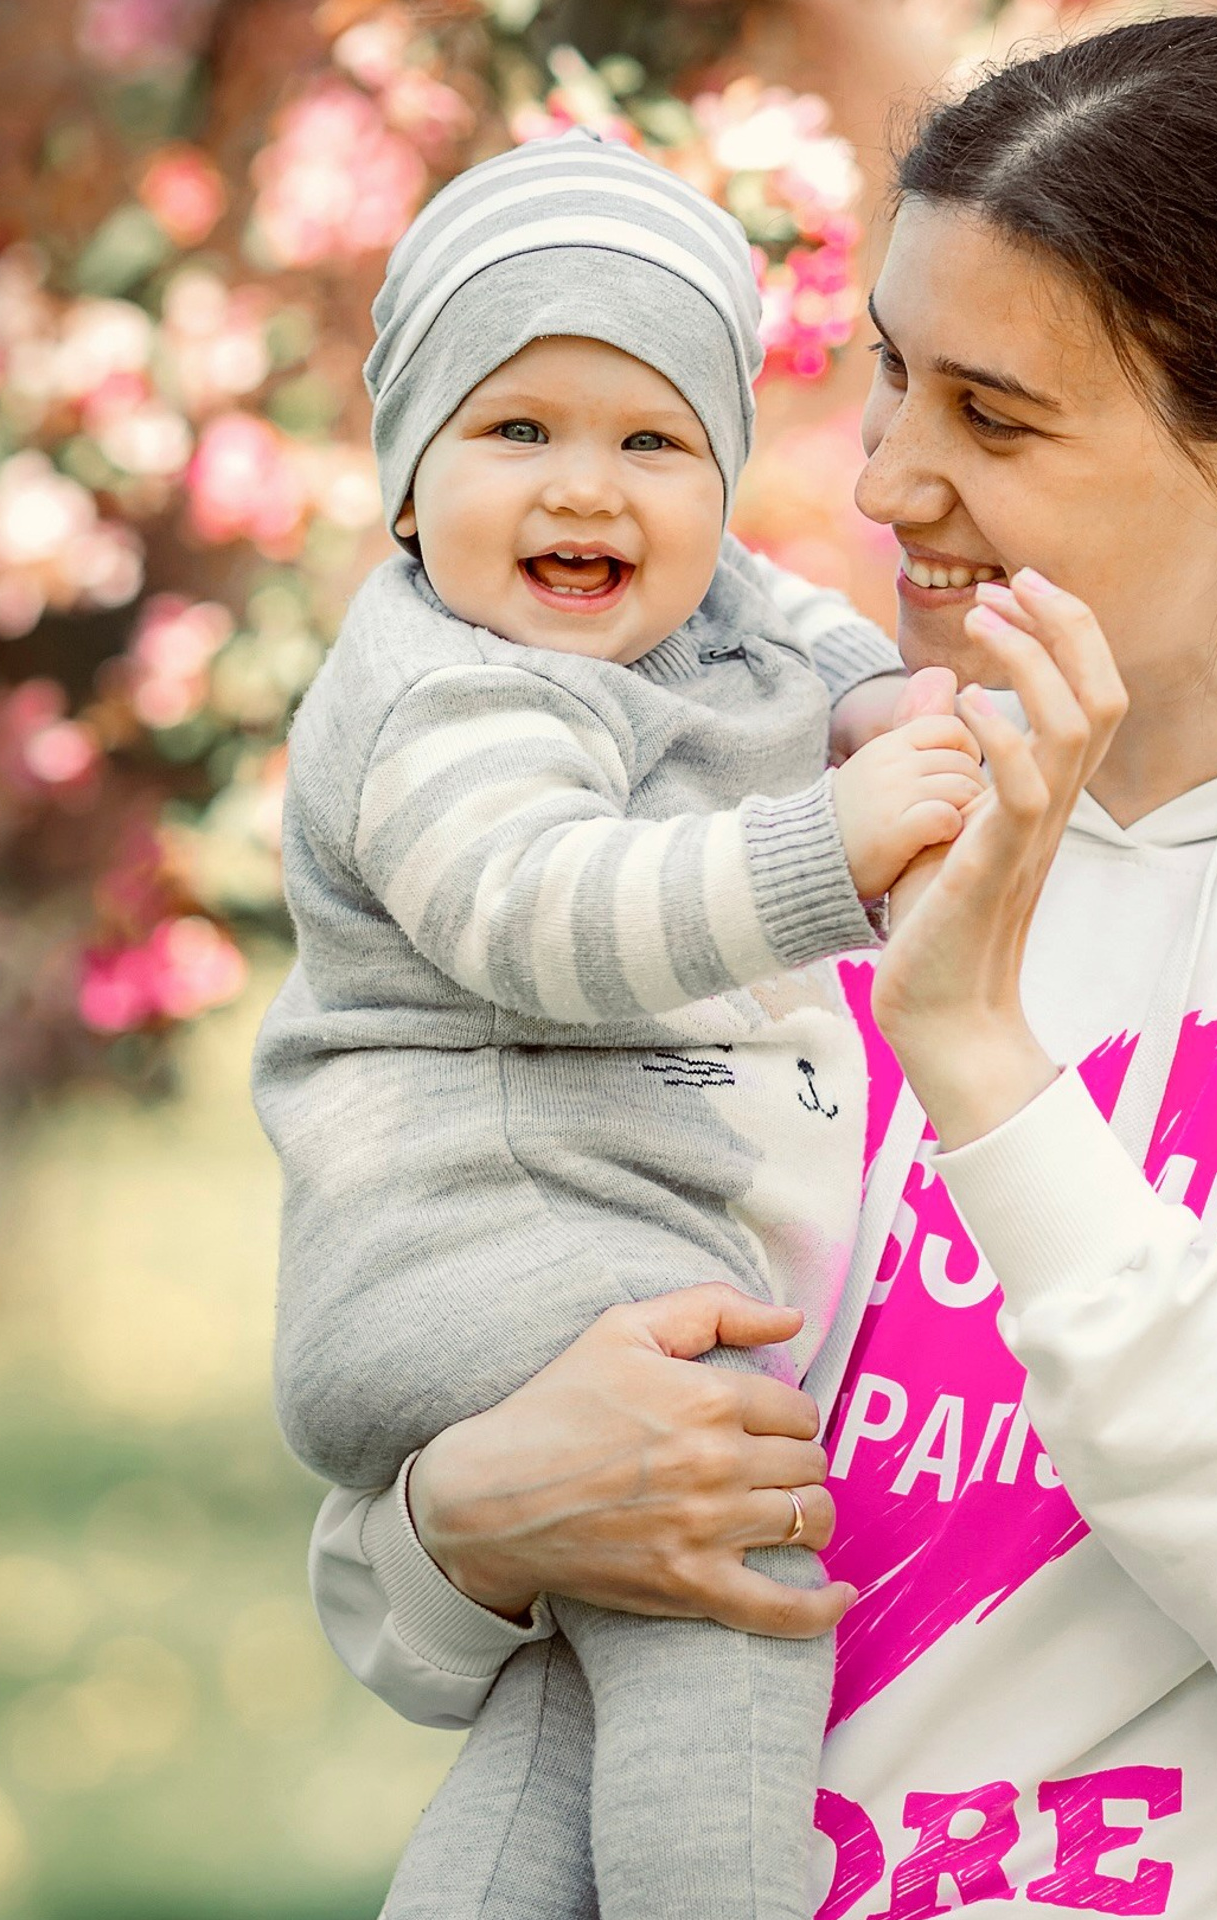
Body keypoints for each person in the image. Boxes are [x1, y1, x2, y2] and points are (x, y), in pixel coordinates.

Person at [305, 18, 1217, 1918]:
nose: (881, 484)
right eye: (889, 374)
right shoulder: (744, 802)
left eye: (996, 417)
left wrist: (974, 1049)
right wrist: (465, 1529)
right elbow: (410, 1588)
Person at [254, 130, 988, 1920]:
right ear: (407, 485)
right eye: (518, 430)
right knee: (727, 1572)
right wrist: (834, 848)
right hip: (471, 1234)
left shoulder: (713, 609)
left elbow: (806, 648)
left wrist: (883, 699)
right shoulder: (445, 694)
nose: (588, 487)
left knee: (587, 1701)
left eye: (653, 440)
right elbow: (547, 914)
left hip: (566, 1228)